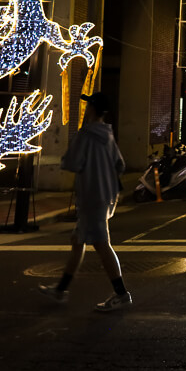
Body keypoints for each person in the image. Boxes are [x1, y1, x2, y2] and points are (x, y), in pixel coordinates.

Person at [39, 92, 131, 312]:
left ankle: (121, 293)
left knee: (101, 244)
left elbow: (72, 162)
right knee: (77, 240)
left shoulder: (86, 135)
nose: (86, 108)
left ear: (92, 109)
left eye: (88, 104)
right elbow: (120, 165)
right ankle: (60, 289)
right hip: (106, 195)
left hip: (91, 196)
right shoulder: (107, 135)